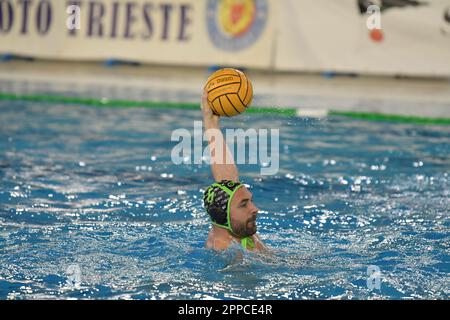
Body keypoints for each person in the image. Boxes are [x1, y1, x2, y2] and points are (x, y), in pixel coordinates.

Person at [201, 90, 266, 251]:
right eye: (244, 204)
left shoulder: (237, 230)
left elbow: (228, 178)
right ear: (224, 216)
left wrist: (211, 122)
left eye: (250, 201)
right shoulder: (229, 253)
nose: (255, 208)